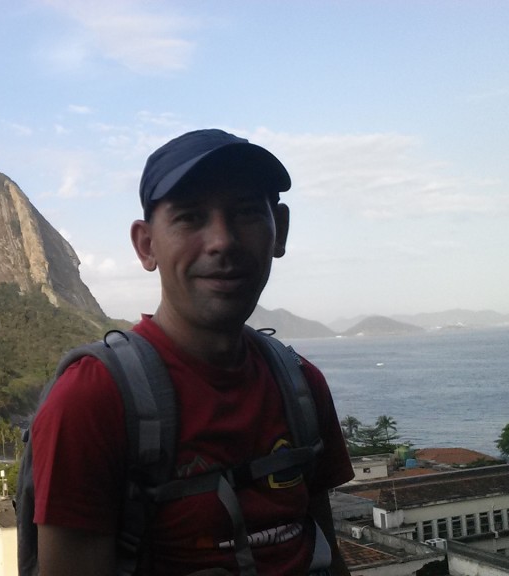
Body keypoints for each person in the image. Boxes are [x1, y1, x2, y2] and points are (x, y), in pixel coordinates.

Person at [31, 129, 354, 575]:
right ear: (147, 245)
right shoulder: (90, 400)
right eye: (190, 217)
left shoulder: (300, 385)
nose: (222, 240)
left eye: (244, 212)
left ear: (279, 230)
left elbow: (325, 554)